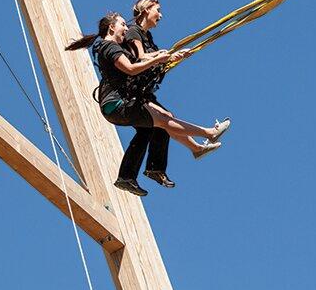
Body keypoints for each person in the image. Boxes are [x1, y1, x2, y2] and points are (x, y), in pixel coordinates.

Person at [65, 12, 230, 196]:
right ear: (112, 27)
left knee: (151, 128)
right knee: (163, 119)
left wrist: (168, 57)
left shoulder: (115, 48)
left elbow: (140, 61)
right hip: (117, 105)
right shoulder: (110, 47)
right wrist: (158, 59)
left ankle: (127, 177)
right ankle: (208, 133)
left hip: (118, 106)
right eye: (122, 25)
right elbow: (131, 69)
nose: (126, 28)